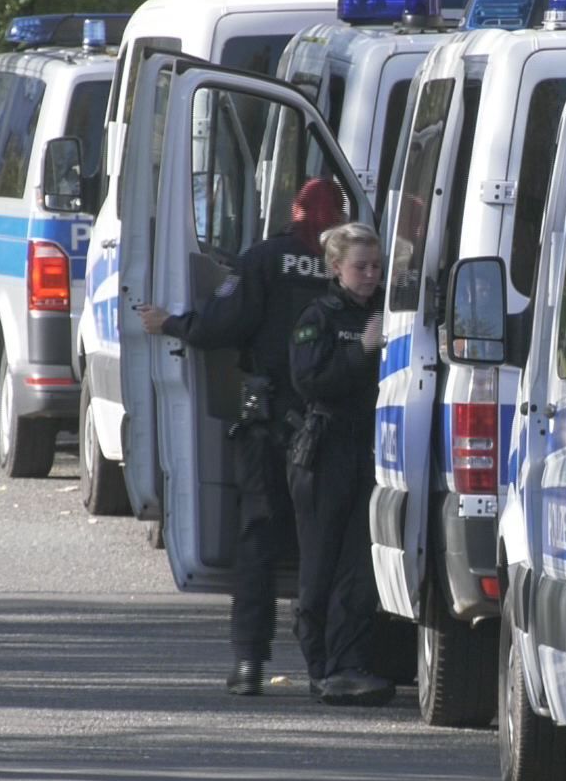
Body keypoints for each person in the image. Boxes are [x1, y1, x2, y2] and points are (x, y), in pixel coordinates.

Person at [136, 177, 347, 695]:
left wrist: (171, 324)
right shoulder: (354, 266)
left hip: (270, 423)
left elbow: (219, 326)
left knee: (258, 539)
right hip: (332, 426)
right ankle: (326, 666)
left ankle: (250, 663)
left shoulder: (264, 259)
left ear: (293, 212)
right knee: (328, 547)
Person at [287, 222, 394, 706]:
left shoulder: (386, 313)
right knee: (321, 560)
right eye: (361, 266)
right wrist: (362, 352)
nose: (370, 275)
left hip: (369, 448)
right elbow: (310, 381)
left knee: (358, 564)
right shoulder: (320, 316)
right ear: (336, 268)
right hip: (325, 450)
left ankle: (348, 665)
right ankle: (319, 665)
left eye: (376, 266)